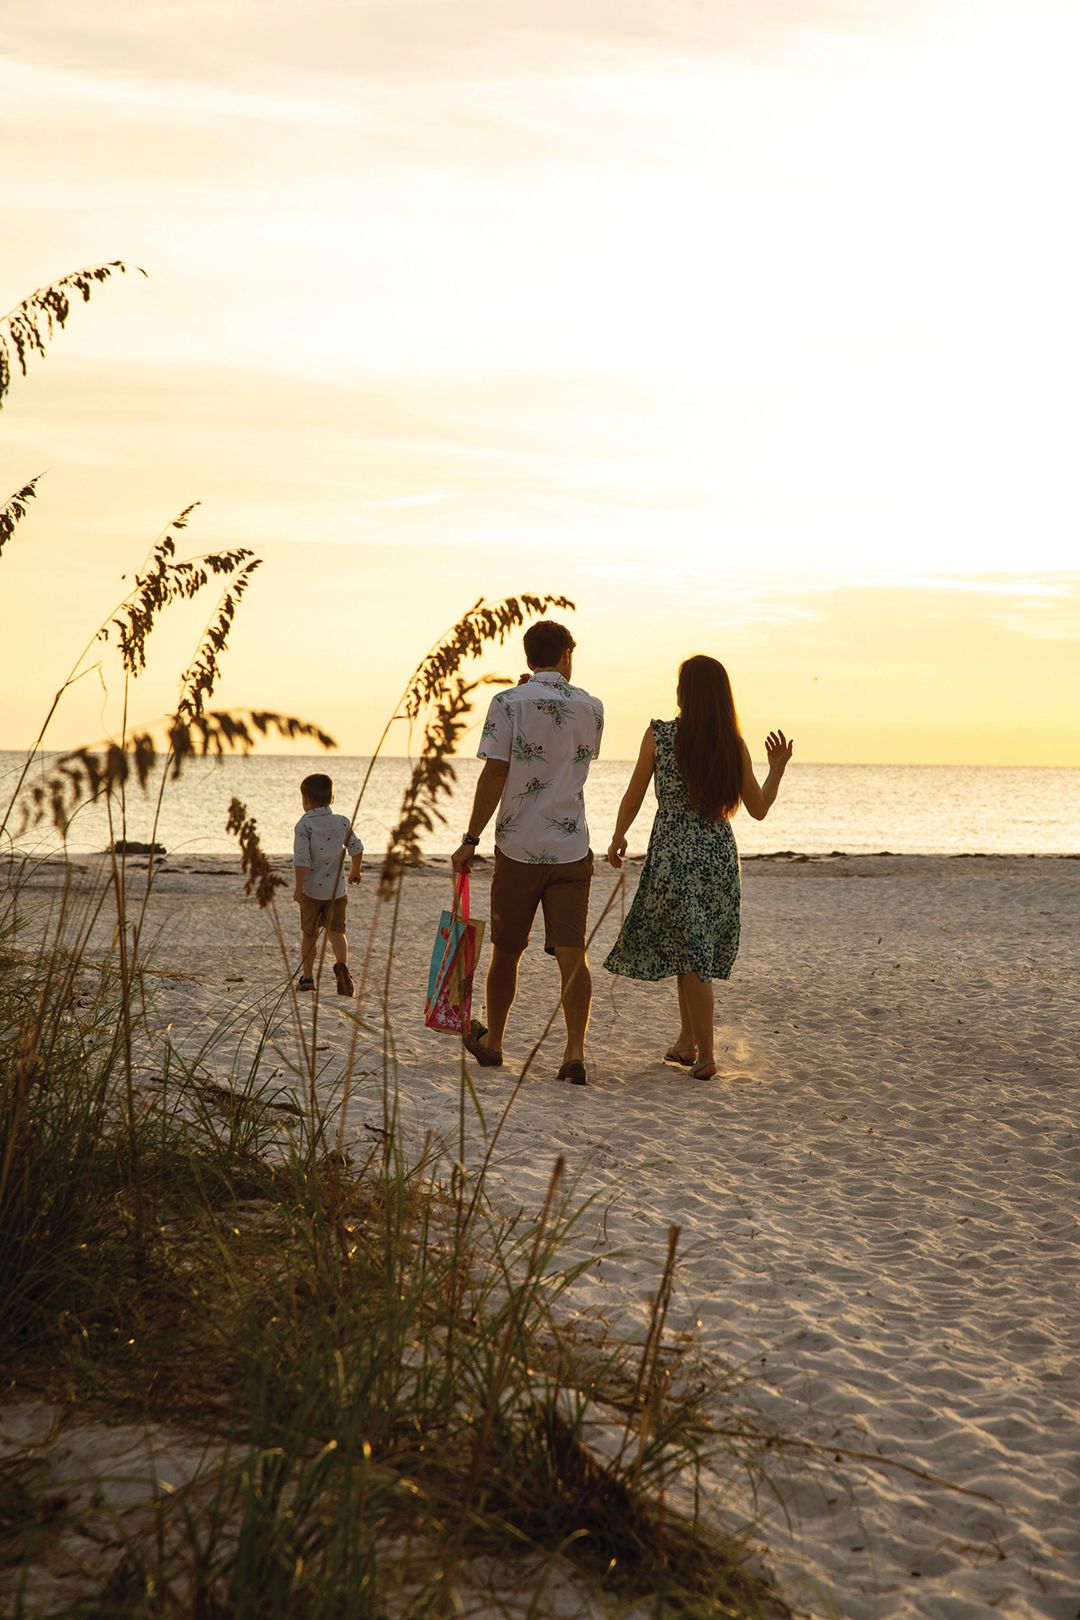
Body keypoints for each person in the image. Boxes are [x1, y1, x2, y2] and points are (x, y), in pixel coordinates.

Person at [603, 655, 792, 1080]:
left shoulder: (660, 735)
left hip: (673, 850)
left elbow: (634, 793)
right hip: (719, 854)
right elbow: (759, 810)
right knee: (688, 945)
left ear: (684, 692)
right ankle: (687, 1042)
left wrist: (619, 835)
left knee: (691, 953)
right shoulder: (733, 744)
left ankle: (706, 1054)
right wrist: (776, 771)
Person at [451, 620, 604, 1085]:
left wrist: (470, 839)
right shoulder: (592, 707)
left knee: (506, 952)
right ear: (565, 657)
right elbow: (575, 757)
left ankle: (495, 1042)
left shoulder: (506, 703)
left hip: (518, 846)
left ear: (527, 657)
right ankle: (574, 1053)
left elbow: (495, 774)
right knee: (573, 955)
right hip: (571, 846)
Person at [292, 773, 364, 995]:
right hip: (336, 891)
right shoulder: (342, 822)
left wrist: (298, 887)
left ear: (305, 800)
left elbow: (301, 860)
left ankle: (307, 979)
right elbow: (357, 848)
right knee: (337, 933)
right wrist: (355, 870)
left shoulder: (304, 826)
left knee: (309, 935)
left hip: (312, 892)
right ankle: (342, 967)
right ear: (332, 798)